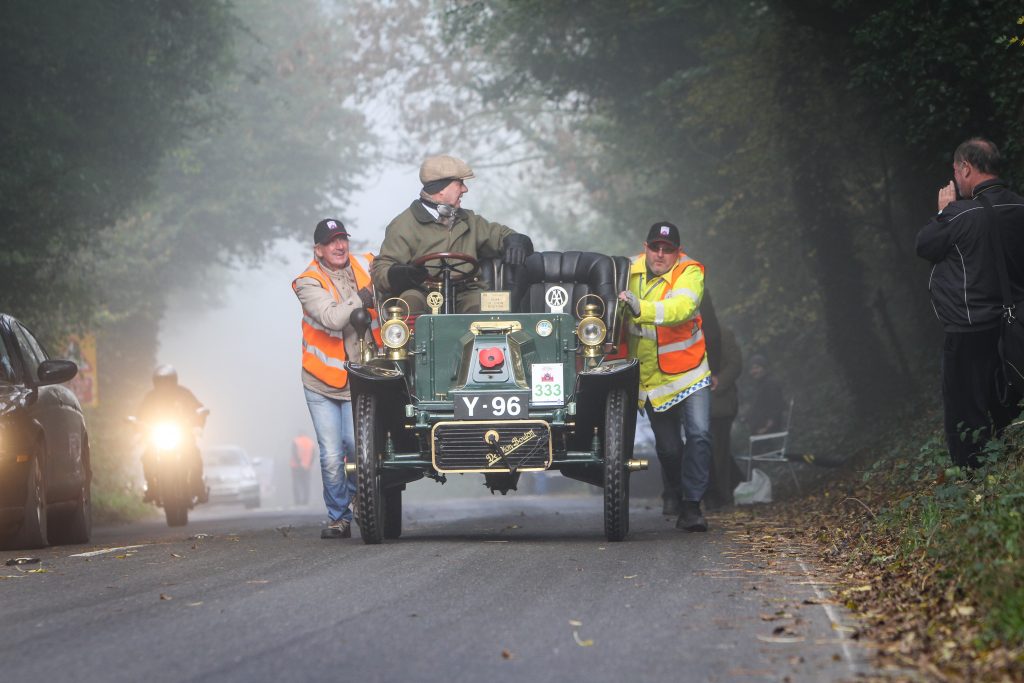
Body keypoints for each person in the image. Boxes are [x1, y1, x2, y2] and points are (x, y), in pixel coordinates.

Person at [916, 137, 1024, 468]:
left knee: (966, 411)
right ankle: (1011, 466)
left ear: (965, 167)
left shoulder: (960, 215)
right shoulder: (1020, 207)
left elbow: (925, 245)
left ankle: (974, 481)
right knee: (1011, 402)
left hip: (971, 329)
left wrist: (943, 210)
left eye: (955, 170)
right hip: (1018, 325)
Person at [619, 221, 712, 532]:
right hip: (653, 380)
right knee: (669, 449)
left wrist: (639, 307)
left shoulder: (689, 272)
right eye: (655, 248)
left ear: (677, 252)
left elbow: (682, 308)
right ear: (645, 247)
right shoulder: (626, 270)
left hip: (690, 372)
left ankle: (692, 506)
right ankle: (673, 489)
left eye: (668, 250)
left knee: (699, 435)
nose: (660, 255)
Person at [293, 218, 374, 538]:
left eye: (343, 239)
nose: (340, 246)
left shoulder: (367, 264)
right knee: (329, 454)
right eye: (331, 242)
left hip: (361, 377)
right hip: (322, 381)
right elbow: (332, 318)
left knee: (357, 446)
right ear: (319, 250)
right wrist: (365, 297)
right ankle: (338, 517)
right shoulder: (307, 282)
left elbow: (394, 264)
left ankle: (358, 496)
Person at [370, 154, 533, 313]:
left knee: (488, 307)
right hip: (423, 293)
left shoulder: (469, 220)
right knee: (409, 301)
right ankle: (412, 341)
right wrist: (401, 274)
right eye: (459, 183)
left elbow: (502, 235)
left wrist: (516, 242)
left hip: (468, 293)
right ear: (441, 189)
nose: (465, 189)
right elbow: (381, 269)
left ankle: (488, 341)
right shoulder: (404, 224)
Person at [137, 364, 208, 503]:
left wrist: (198, 423)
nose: (165, 385)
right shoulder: (150, 397)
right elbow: (140, 416)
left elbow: (199, 409)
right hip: (157, 437)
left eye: (168, 381)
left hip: (183, 435)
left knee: (194, 455)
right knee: (147, 457)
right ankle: (151, 488)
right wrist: (139, 427)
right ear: (155, 382)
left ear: (174, 381)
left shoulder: (184, 393)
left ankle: (198, 486)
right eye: (161, 381)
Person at [707, 325, 744, 509]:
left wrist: (718, 383)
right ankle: (715, 492)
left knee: (718, 450)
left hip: (719, 403)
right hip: (702, 401)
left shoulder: (723, 333)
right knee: (709, 450)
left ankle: (720, 495)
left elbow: (735, 364)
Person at [744, 354, 784, 436]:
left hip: (767, 432)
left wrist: (767, 427)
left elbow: (776, 407)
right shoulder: (759, 384)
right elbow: (757, 406)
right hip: (757, 430)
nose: (754, 371)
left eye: (757, 368)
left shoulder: (771, 383)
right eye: (752, 369)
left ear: (764, 368)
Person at [290, 433, 316, 506]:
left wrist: (299, 462)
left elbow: (294, 453)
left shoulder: (296, 441)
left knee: (296, 484)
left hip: (296, 467)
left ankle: (297, 501)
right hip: (307, 467)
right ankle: (306, 501)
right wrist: (310, 464)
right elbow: (314, 455)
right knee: (306, 484)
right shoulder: (311, 442)